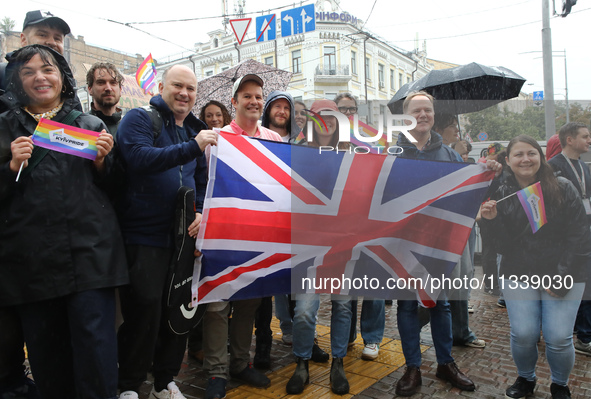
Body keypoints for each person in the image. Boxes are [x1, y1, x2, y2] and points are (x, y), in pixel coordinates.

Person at [0, 44, 128, 399]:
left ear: (62, 77)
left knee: (97, 355)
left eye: (48, 69)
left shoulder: (89, 124)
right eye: (28, 72)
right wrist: (10, 168)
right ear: (18, 80)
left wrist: (104, 163)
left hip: (90, 260)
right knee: (47, 358)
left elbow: (116, 190)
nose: (40, 77)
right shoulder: (5, 128)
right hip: (31, 266)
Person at [116, 64, 216, 399]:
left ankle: (164, 381)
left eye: (190, 88)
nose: (184, 94)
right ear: (161, 86)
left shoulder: (195, 129)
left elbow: (202, 179)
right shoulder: (139, 119)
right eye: (177, 86)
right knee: (143, 311)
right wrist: (193, 146)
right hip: (144, 237)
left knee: (178, 311)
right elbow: (139, 157)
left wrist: (201, 210)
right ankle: (129, 385)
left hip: (182, 240)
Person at [394, 91, 489, 396]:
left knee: (440, 304)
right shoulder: (392, 151)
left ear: (434, 115)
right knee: (408, 304)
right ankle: (412, 367)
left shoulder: (448, 154)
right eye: (417, 110)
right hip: (403, 243)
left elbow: (463, 194)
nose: (423, 115)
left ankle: (445, 363)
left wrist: (489, 175)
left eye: (428, 110)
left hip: (437, 244)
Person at [481, 134, 591, 399]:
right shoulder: (501, 192)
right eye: (518, 154)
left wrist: (561, 275)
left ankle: (560, 384)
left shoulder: (562, 186)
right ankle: (525, 379)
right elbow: (500, 245)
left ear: (541, 158)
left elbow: (580, 236)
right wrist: (491, 220)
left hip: (564, 271)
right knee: (524, 334)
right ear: (508, 160)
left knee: (558, 337)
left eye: (531, 153)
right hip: (519, 271)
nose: (525, 159)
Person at [203, 74, 280, 399]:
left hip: (258, 238)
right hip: (222, 236)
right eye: (246, 96)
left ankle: (240, 363)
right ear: (233, 102)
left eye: (258, 96)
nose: (254, 101)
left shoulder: (274, 139)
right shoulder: (216, 138)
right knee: (217, 306)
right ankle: (216, 373)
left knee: (248, 303)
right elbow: (202, 183)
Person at [286, 99, 352, 396]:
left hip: (345, 243)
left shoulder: (352, 154)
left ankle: (338, 362)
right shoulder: (299, 154)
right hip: (308, 244)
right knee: (304, 310)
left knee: (342, 305)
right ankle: (302, 362)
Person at [333, 92, 386, 360]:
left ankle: (373, 338)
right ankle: (349, 334)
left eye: (351, 108)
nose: (347, 113)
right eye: (341, 109)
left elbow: (385, 174)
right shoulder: (326, 144)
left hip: (371, 220)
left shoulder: (373, 139)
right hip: (342, 225)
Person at [186, 100, 232, 365]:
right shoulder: (199, 143)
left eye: (218, 115)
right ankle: (198, 344)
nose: (214, 119)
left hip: (228, 223)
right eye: (208, 115)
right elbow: (199, 179)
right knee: (202, 288)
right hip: (206, 221)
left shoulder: (232, 140)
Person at [548, 122, 591, 358]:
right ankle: (581, 334)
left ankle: (581, 332)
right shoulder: (554, 167)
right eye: (585, 136)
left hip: (584, 234)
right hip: (566, 240)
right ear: (569, 139)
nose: (589, 140)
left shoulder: (583, 166)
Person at [86, 62, 123, 136]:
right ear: (90, 89)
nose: (108, 88)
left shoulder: (131, 127)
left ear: (120, 89)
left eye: (113, 83)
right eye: (101, 82)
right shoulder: (81, 125)